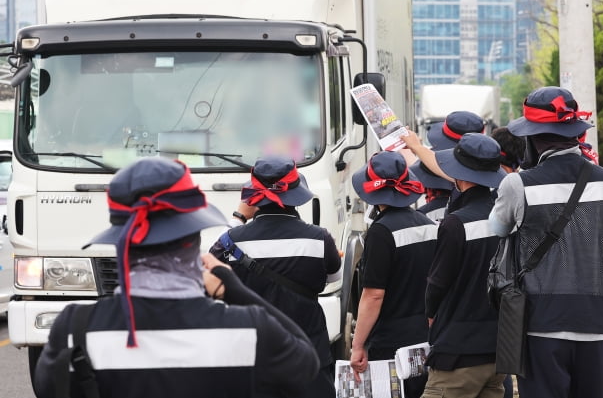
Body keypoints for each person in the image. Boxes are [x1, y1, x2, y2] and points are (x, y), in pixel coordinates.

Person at [34, 157, 320, 398]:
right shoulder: (248, 329)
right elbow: (306, 363)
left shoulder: (74, 329)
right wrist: (234, 290)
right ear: (192, 242)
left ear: (122, 240)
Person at [489, 86, 603, 398]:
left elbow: (497, 228)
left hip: (541, 324)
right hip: (596, 322)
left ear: (533, 139)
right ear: (575, 134)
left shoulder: (517, 184)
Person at [210, 155, 342, 398]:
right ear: (295, 194)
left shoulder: (231, 241)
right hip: (309, 353)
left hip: (254, 356)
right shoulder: (319, 238)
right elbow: (334, 278)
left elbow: (209, 266)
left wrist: (238, 217)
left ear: (254, 199)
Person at [422, 133, 507, 398]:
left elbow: (437, 284)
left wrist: (431, 315)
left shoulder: (456, 223)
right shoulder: (505, 215)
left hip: (458, 351)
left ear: (461, 176)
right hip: (498, 346)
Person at [349, 151, 437, 398]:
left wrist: (358, 345)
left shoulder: (380, 232)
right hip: (427, 336)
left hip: (391, 343)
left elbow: (373, 295)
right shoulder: (429, 226)